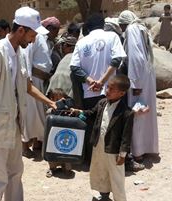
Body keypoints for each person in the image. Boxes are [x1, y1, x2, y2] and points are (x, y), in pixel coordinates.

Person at [0, 6, 56, 201]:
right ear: (21, 31)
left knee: (15, 173)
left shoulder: (20, 53)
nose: (34, 39)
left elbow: (27, 86)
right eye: (33, 34)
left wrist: (50, 102)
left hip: (14, 125)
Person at [70, 14, 126, 163]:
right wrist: (102, 82)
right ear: (103, 25)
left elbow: (74, 67)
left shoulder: (81, 42)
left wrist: (91, 81)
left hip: (90, 92)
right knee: (112, 124)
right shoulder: (112, 37)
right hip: (111, 90)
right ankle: (110, 159)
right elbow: (117, 59)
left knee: (91, 123)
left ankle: (91, 159)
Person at [71, 75, 134, 201]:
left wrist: (122, 155)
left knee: (116, 176)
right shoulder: (102, 103)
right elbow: (91, 114)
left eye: (111, 89)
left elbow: (126, 136)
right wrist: (80, 112)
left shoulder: (127, 112)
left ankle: (120, 198)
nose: (107, 91)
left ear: (121, 93)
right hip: (98, 145)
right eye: (107, 87)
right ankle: (104, 194)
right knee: (100, 170)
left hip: (113, 150)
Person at [118, 10, 159, 163]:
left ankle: (138, 152)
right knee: (146, 112)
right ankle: (149, 148)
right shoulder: (141, 28)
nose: (121, 29)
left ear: (125, 23)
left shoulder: (132, 29)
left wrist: (134, 84)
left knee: (137, 114)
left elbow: (136, 57)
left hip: (138, 79)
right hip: (147, 77)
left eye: (121, 25)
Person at [22, 21, 53, 158]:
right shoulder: (35, 37)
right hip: (33, 80)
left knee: (38, 113)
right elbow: (26, 58)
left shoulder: (42, 37)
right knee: (30, 114)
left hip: (39, 80)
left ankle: (37, 143)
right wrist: (28, 79)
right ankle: (24, 145)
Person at [45, 88, 73, 178]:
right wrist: (57, 106)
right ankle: (52, 168)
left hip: (65, 135)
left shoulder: (67, 109)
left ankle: (66, 168)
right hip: (53, 135)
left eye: (62, 99)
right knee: (52, 153)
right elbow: (49, 114)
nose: (60, 101)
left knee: (66, 152)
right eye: (57, 99)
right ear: (52, 100)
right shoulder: (50, 109)